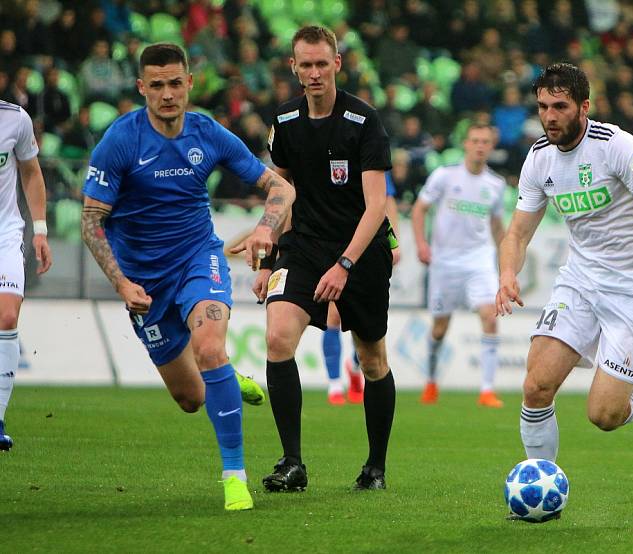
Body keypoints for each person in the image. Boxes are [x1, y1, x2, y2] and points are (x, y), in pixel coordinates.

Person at [80, 43, 291, 511]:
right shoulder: (121, 141)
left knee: (210, 346)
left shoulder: (208, 133)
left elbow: (280, 186)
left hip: (199, 258)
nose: (168, 94)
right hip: (142, 283)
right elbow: (92, 219)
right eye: (157, 85)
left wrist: (264, 227)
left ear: (190, 83)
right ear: (142, 88)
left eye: (176, 83)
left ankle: (234, 476)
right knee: (191, 398)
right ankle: (226, 379)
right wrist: (121, 283)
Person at [496, 63, 633, 465]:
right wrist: (506, 274)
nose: (550, 117)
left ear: (584, 107)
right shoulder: (538, 159)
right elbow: (517, 233)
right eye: (542, 107)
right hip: (581, 283)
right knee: (536, 386)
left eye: (560, 106)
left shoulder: (615, 146)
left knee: (603, 415)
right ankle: (541, 482)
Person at [246, 25, 395, 492]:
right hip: (304, 247)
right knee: (277, 338)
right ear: (293, 67)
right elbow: (280, 194)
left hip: (360, 251)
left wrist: (345, 265)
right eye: (304, 64)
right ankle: (292, 463)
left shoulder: (364, 120)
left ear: (336, 64)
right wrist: (269, 259)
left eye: (320, 63)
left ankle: (374, 467)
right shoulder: (284, 122)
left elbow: (377, 207)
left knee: (372, 361)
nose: (313, 73)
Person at [411, 123, 507, 407]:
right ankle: (430, 382)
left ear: (491, 147)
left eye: (485, 142)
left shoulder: (496, 185)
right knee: (440, 328)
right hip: (445, 262)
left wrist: (508, 263)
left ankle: (487, 390)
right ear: (465, 144)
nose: (480, 146)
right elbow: (419, 209)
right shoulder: (444, 175)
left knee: (489, 316)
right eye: (475, 140)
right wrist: (421, 244)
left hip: (479, 260)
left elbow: (497, 226)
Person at [322, 171, 401, 406]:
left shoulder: (370, 152)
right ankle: (335, 384)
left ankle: (355, 367)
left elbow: (387, 200)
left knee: (364, 319)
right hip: (336, 239)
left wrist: (394, 241)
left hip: (371, 243)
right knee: (333, 312)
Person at [0, 100, 53, 451]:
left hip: (5, 233)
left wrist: (40, 229)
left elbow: (31, 172)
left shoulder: (14, 118)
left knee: (6, 316)